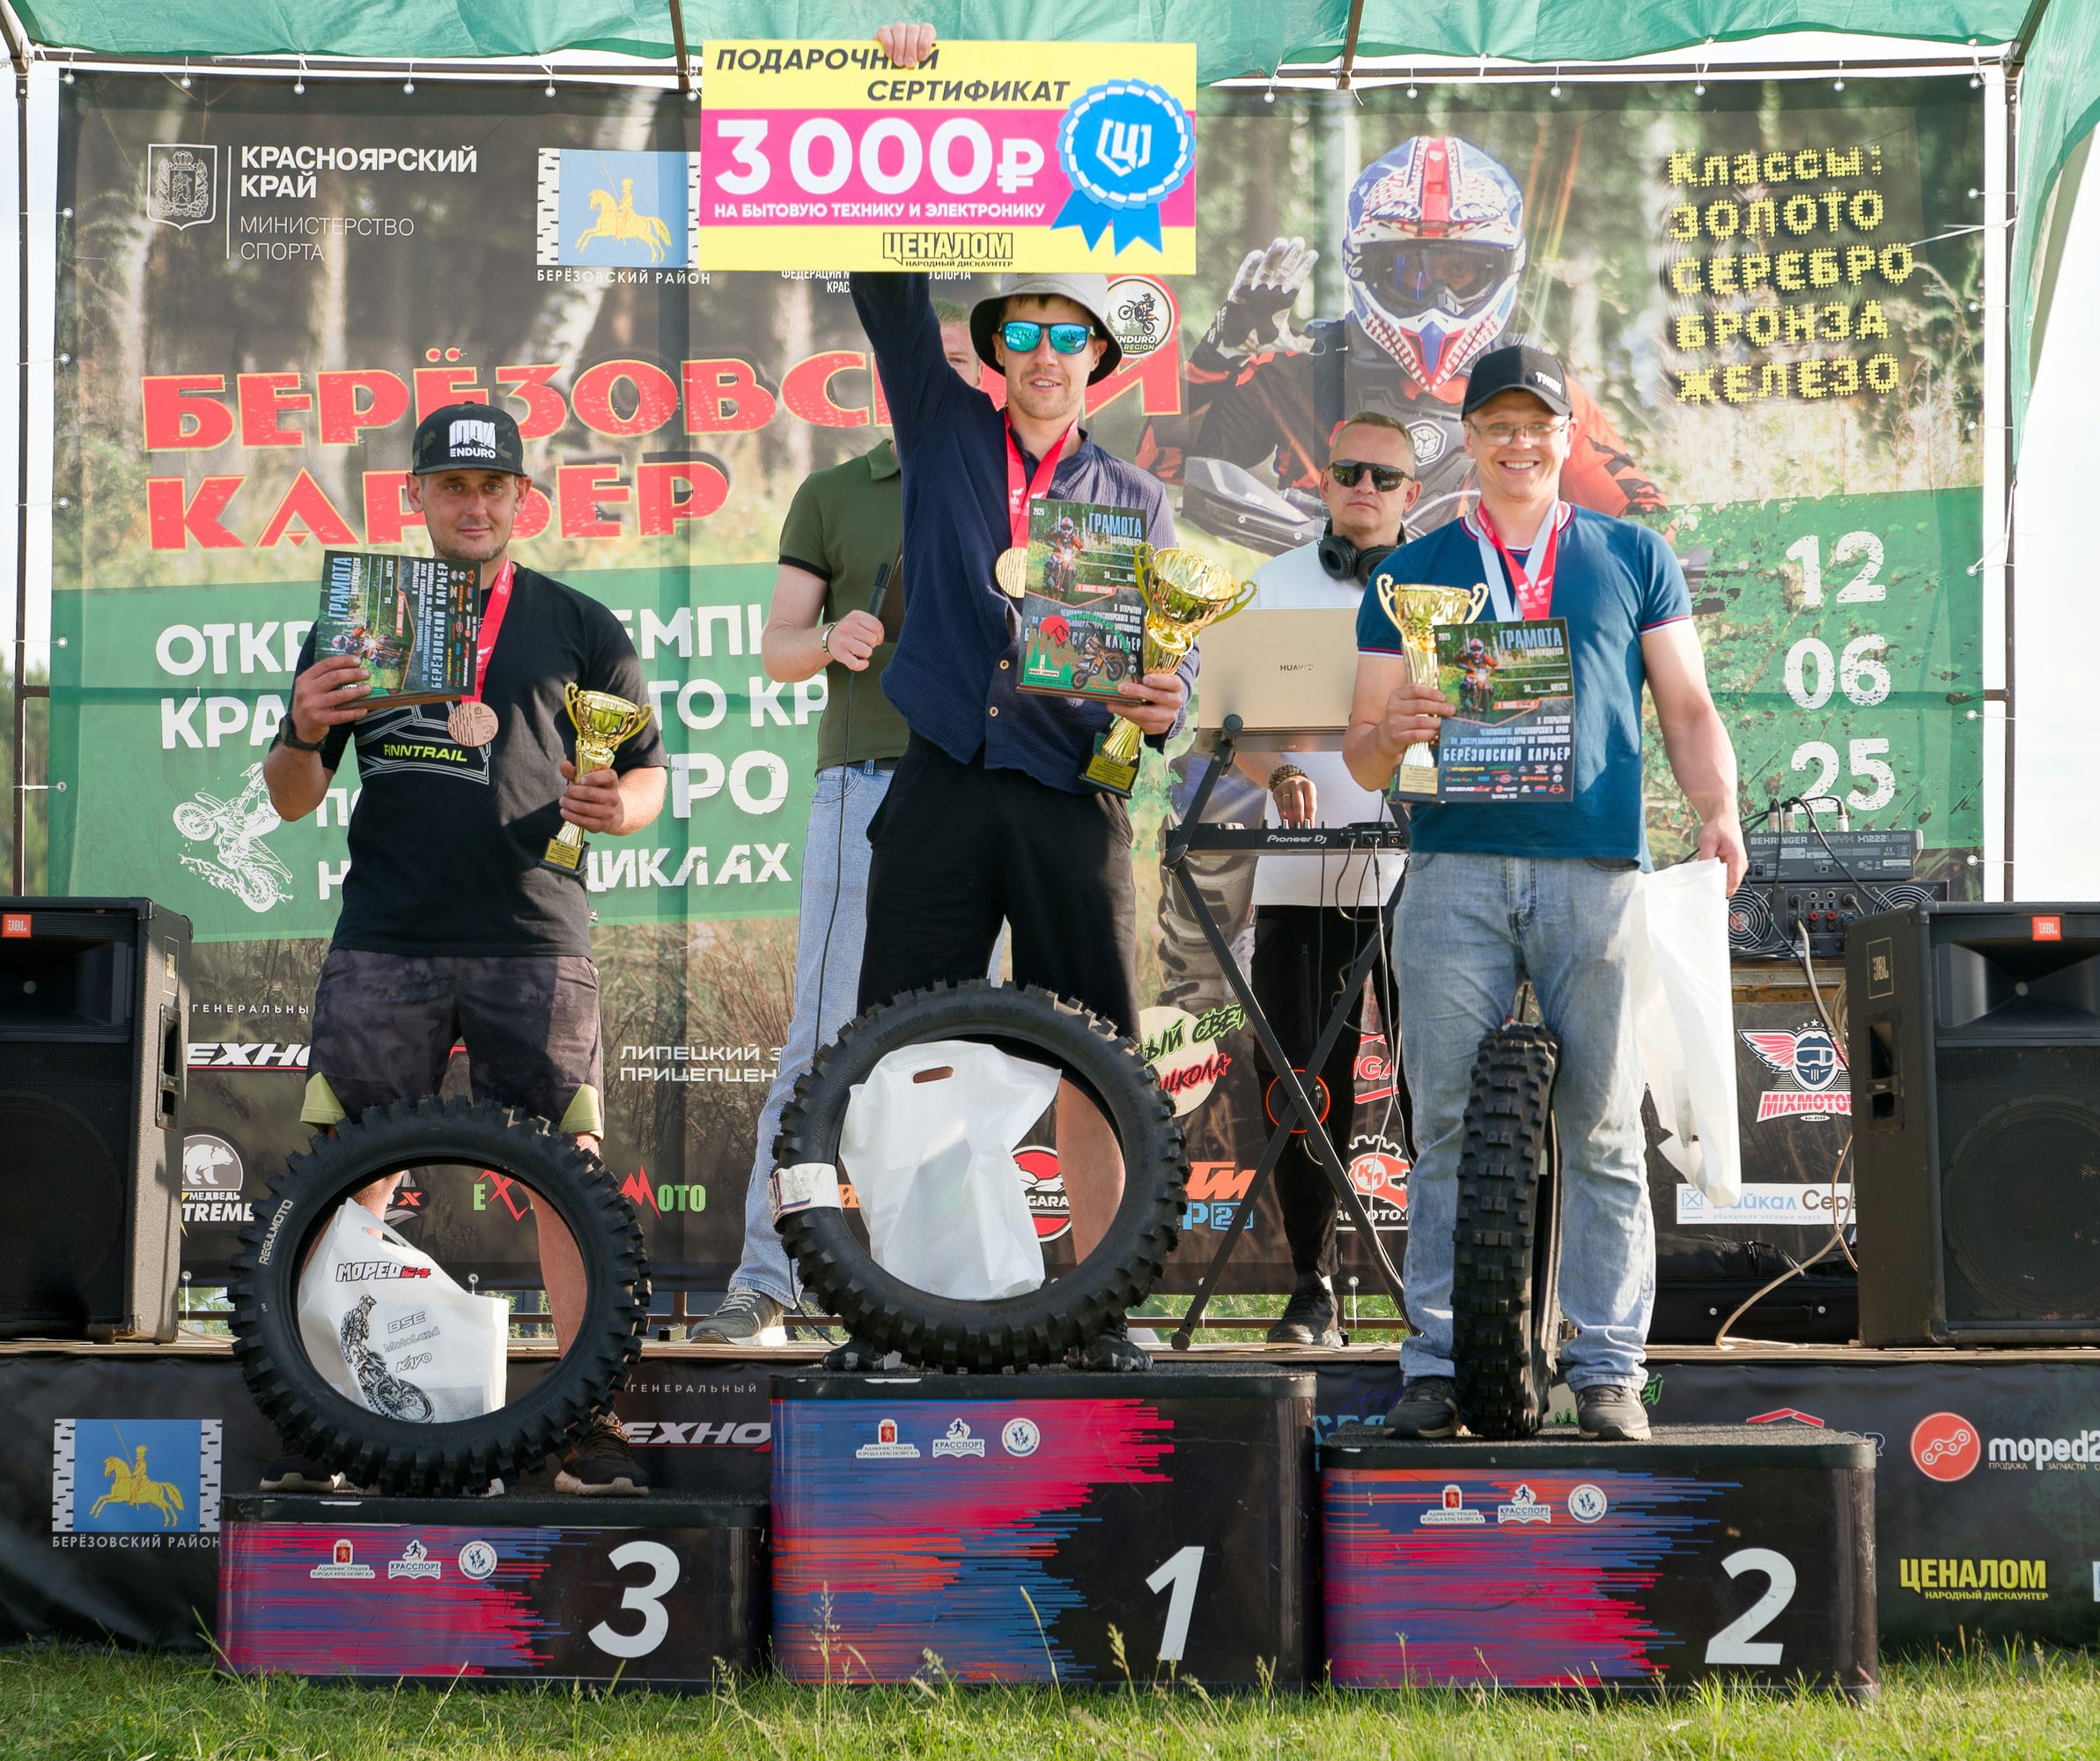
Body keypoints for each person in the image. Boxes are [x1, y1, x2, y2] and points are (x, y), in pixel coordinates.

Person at [844, 20, 1197, 1373]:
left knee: (1095, 1059)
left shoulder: (1136, 499)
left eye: (1070, 335)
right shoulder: (941, 428)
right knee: (896, 1054)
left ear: (1099, 359)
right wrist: (901, 94)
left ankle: (1097, 1310)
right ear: (996, 348)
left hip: (1068, 796)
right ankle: (894, 1313)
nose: (1047, 353)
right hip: (941, 775)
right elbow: (884, 283)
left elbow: (1169, 654)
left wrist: (1165, 698)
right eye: (1027, 331)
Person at [261, 402, 669, 1492]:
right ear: (416, 496)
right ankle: (328, 1420)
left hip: (535, 933)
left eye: (494, 486)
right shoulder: (360, 621)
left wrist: (619, 806)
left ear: (525, 497)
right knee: (345, 1176)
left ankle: (586, 1420)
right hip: (386, 934)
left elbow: (647, 774)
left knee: (570, 1181)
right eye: (453, 485)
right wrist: (304, 725)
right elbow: (293, 796)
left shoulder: (582, 623)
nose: (475, 504)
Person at [1343, 343, 1745, 1441]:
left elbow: (1687, 705)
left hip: (1594, 868)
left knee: (1605, 1126)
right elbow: (1367, 751)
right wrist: (1394, 729)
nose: (1519, 443)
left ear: (1568, 436)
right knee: (1444, 1127)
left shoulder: (1632, 553)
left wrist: (1717, 806)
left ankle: (1607, 1369)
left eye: (1538, 424)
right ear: (1469, 440)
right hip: (1453, 870)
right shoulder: (1410, 572)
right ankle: (1433, 1366)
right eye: (1498, 426)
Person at [689, 302, 986, 1347]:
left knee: (968, 1053)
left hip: (993, 794)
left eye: (969, 362)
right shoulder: (833, 492)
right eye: (933, 360)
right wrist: (830, 638)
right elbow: (777, 645)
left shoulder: (1025, 487)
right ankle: (767, 1283)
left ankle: (947, 1297)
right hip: (866, 787)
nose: (951, 378)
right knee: (821, 1047)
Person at [1141, 136, 1662, 533]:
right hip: (1322, 609)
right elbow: (1157, 460)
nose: (1438, 298)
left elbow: (1647, 520)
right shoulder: (1307, 366)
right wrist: (1220, 354)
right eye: (1412, 271)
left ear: (1502, 269)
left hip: (1484, 618)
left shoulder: (1536, 390)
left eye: (1460, 270)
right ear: (1366, 266)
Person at [1225, 413, 1420, 1348]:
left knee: (1438, 1083)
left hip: (1429, 873)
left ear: (1411, 493)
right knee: (1301, 1083)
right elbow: (1234, 728)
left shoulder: (1452, 583)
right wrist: (1277, 776)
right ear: (1324, 482)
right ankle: (1314, 1286)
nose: (1365, 488)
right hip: (1301, 875)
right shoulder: (1273, 585)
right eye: (1349, 472)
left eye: (1384, 476)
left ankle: (1447, 1289)